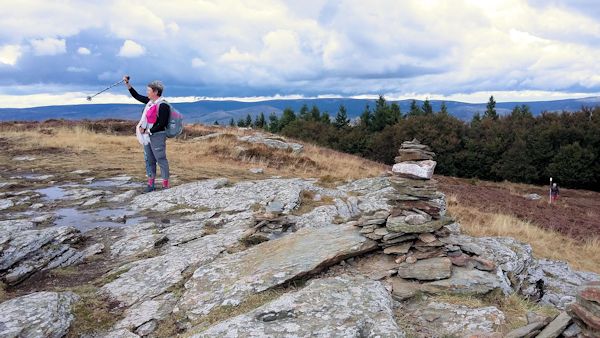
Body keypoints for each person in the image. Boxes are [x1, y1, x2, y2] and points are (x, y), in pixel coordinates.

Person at [124, 75, 170, 193]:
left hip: (157, 135)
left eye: (148, 91)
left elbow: (162, 124)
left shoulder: (163, 105)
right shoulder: (149, 102)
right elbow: (136, 96)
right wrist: (128, 84)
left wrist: (148, 131)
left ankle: (165, 185)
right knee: (149, 160)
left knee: (161, 159)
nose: (147, 93)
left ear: (155, 92)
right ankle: (151, 184)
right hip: (147, 136)